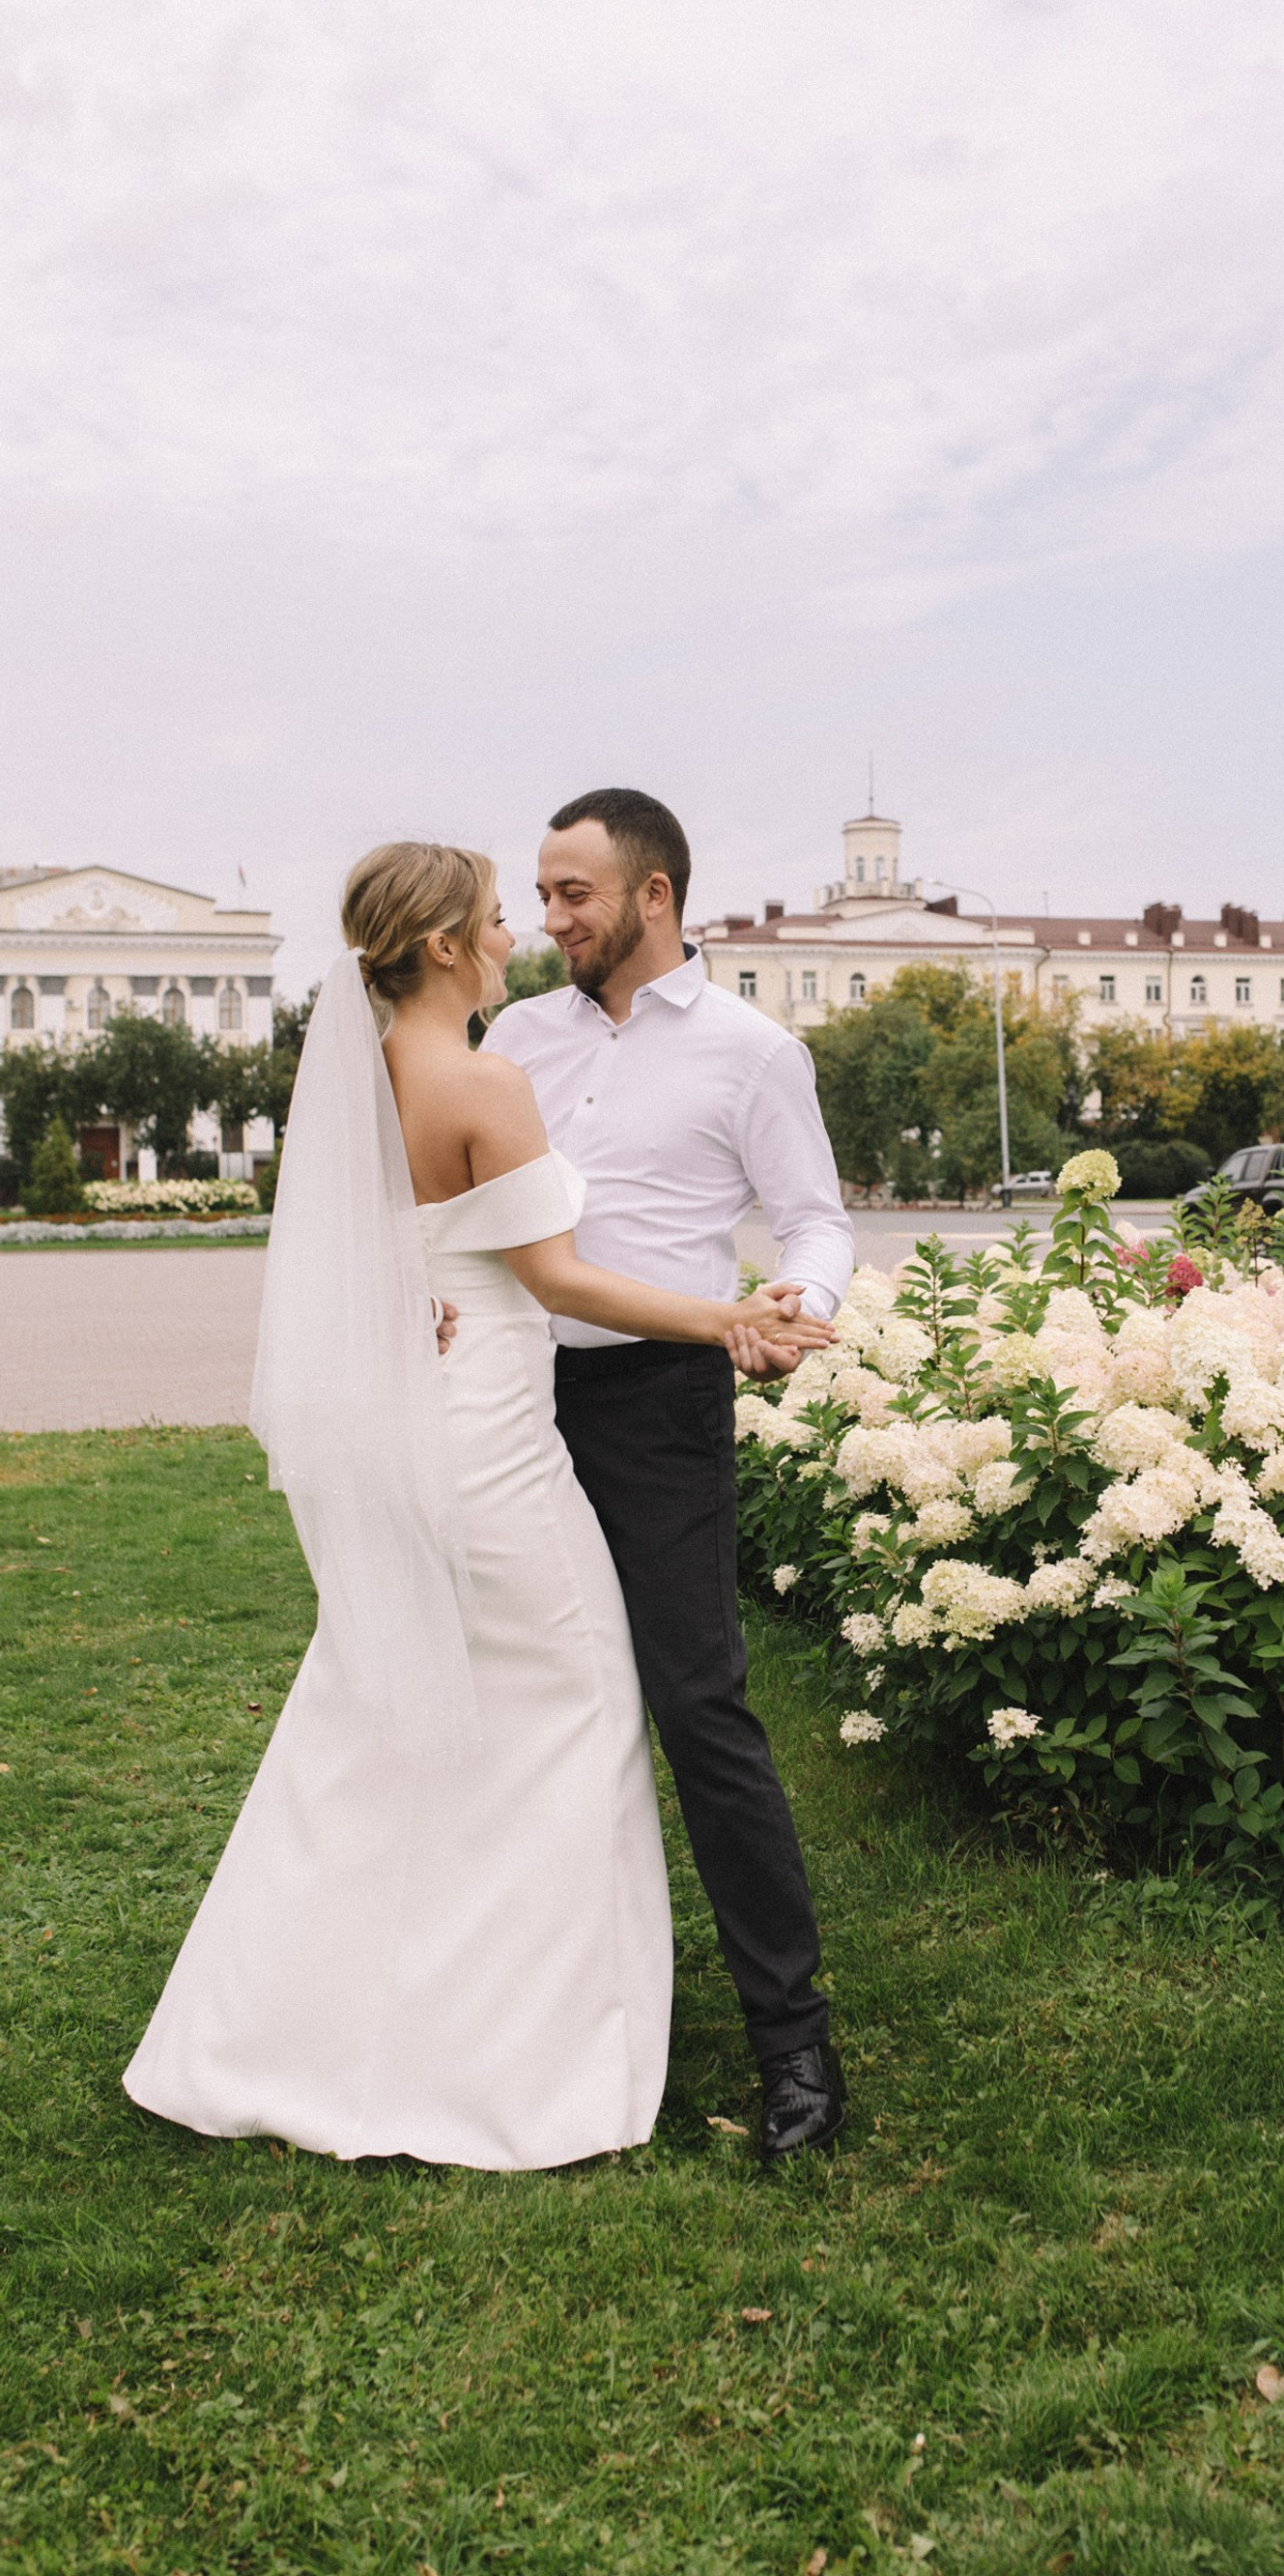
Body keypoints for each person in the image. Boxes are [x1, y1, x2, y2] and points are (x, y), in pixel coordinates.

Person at [124, 844, 833, 2170]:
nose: (516, 930)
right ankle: (532, 2058)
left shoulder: (360, 1083)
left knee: (380, 1711)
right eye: (499, 915)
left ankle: (273, 2027)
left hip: (415, 1432)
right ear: (446, 946)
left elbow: (382, 1263)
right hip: (500, 1447)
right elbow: (557, 1281)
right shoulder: (484, 1078)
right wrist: (727, 1314)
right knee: (581, 1708)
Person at [482, 787, 855, 2159]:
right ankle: (533, 2007)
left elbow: (813, 1216)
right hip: (509, 1401)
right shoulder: (514, 1036)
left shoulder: (755, 1053)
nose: (548, 917)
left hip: (658, 1404)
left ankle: (794, 2046)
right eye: (540, 891)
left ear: (652, 896)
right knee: (523, 1699)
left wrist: (797, 1308)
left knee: (697, 1704)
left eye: (572, 892)